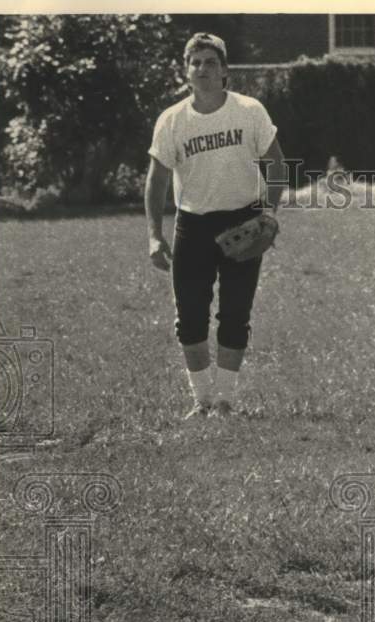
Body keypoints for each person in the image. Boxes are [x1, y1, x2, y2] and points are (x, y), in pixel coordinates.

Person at [145, 33, 286, 419]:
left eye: (210, 62)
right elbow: (156, 182)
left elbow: (276, 164)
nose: (202, 69)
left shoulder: (248, 110)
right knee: (190, 314)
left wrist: (269, 214)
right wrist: (155, 236)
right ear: (186, 70)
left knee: (235, 312)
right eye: (195, 62)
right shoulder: (172, 120)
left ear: (224, 70)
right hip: (192, 224)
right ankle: (201, 399)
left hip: (244, 217)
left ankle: (224, 400)